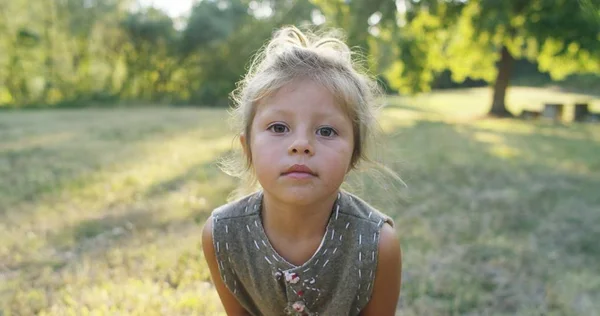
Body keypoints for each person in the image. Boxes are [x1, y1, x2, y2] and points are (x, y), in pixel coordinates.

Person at [202, 25, 402, 316]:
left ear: (353, 155)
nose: (301, 145)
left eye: (326, 130)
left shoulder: (377, 245)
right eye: (279, 127)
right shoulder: (221, 235)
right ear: (248, 149)